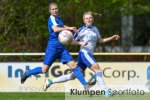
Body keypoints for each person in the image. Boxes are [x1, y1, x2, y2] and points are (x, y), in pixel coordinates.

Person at [43, 11, 120, 96]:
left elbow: (100, 40)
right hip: (85, 54)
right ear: (84, 20)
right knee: (98, 70)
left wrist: (112, 38)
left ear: (93, 19)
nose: (88, 19)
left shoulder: (95, 29)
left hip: (87, 55)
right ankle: (105, 92)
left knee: (72, 76)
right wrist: (80, 43)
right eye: (86, 18)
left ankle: (50, 81)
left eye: (90, 18)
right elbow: (71, 40)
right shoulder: (81, 30)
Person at [21, 3, 88, 88]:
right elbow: (56, 29)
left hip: (62, 48)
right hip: (52, 48)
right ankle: (28, 73)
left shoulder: (59, 18)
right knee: (44, 70)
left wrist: (70, 27)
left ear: (58, 9)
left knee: (74, 65)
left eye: (56, 9)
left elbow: (61, 26)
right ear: (50, 11)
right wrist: (69, 28)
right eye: (53, 9)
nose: (55, 10)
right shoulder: (51, 18)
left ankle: (85, 85)